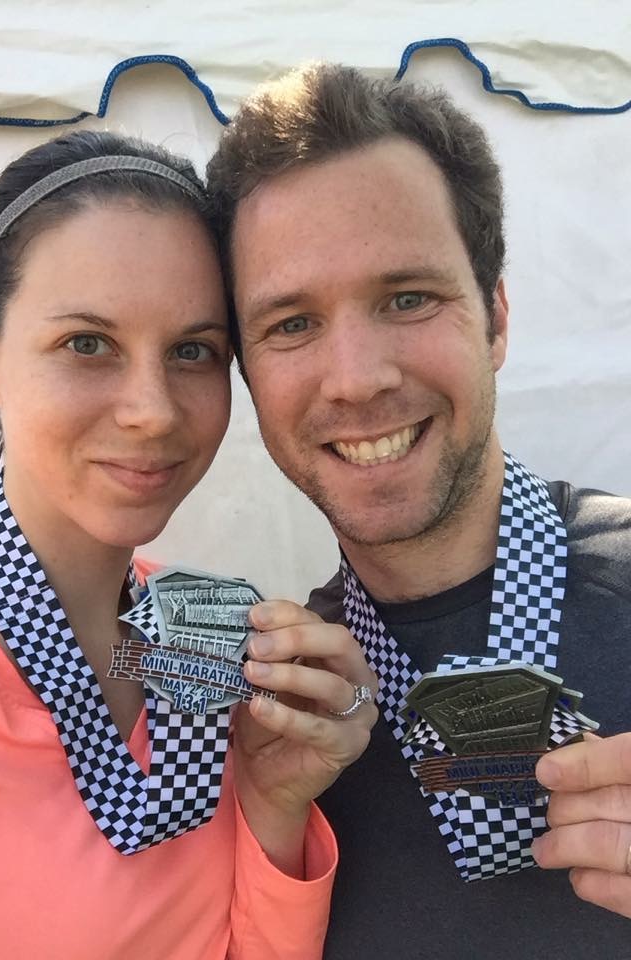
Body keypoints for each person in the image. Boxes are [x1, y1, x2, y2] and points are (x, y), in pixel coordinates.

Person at [0, 129, 377, 960]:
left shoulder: (199, 631)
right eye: (87, 344)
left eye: (193, 352)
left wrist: (273, 805)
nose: (153, 411)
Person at [206, 63, 631, 958]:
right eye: (291, 323)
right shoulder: (275, 720)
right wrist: (267, 824)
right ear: (249, 375)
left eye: (408, 298)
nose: (357, 377)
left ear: (496, 319)